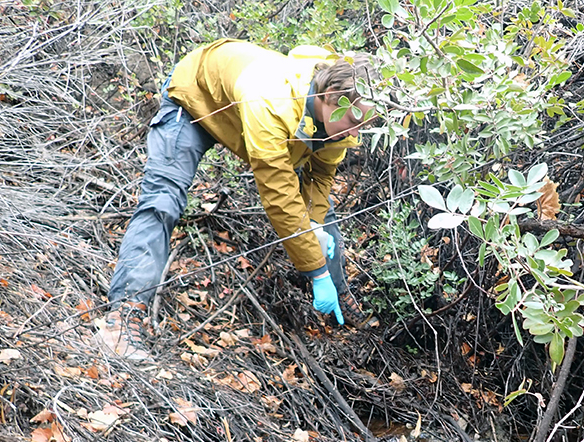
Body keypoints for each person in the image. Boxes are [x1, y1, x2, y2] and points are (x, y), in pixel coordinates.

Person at [99, 38, 379, 361]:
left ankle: (339, 293)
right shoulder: (271, 100)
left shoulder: (336, 120)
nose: (355, 134)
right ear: (330, 96)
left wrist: (314, 224)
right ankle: (122, 319)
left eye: (363, 125)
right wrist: (315, 271)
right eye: (354, 122)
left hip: (241, 112)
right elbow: (280, 198)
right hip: (195, 100)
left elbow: (321, 178)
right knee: (163, 203)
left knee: (323, 218)